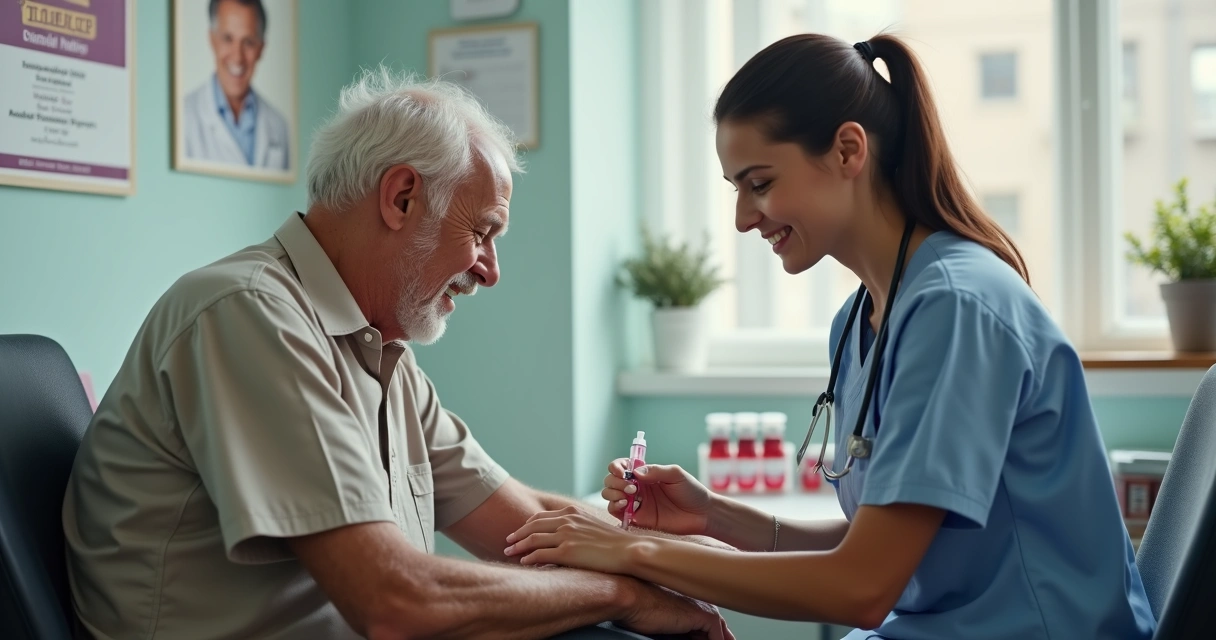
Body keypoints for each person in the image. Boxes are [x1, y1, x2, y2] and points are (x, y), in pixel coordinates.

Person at [504, 33, 1159, 639]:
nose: (740, 219)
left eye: (759, 183)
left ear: (849, 150)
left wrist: (633, 551)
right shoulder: (862, 319)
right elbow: (871, 545)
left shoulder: (956, 309)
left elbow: (862, 586)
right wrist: (711, 516)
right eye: (736, 189)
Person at [63, 68, 732, 640]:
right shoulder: (248, 313)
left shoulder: (380, 353)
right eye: (483, 231)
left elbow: (525, 525)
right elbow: (395, 603)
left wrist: (672, 559)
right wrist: (628, 596)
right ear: (402, 196)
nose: (490, 270)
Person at [182, 0, 290, 169]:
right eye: (227, 39)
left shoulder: (279, 126)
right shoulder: (185, 116)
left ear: (261, 49)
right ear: (212, 40)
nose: (237, 57)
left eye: (248, 42)